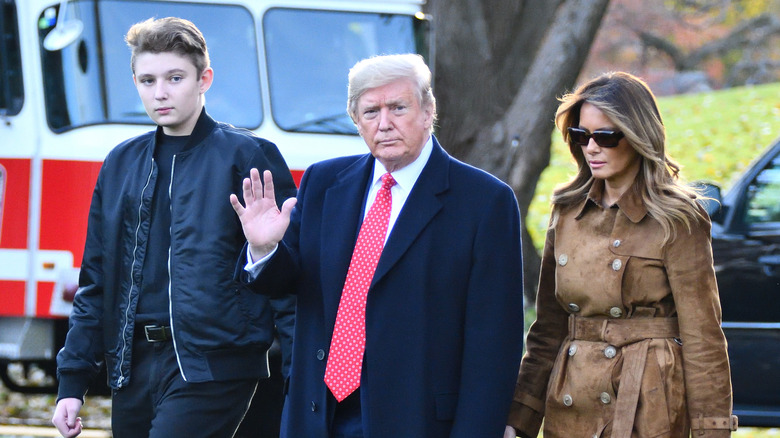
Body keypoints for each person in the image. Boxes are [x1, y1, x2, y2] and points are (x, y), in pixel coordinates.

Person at [229, 53, 524, 438]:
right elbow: (289, 281)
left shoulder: (485, 201)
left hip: (418, 420)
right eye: (370, 112)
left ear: (428, 110)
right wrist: (265, 250)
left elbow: (494, 343)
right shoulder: (323, 182)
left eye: (398, 107)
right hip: (319, 415)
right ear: (355, 119)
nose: (384, 123)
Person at [51, 17, 296, 438]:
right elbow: (96, 280)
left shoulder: (248, 155)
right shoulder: (120, 165)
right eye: (147, 80)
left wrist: (299, 377)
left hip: (215, 364)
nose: (160, 92)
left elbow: (292, 281)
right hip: (132, 366)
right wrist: (72, 381)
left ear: (205, 79)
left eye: (174, 77)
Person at [504, 71, 737, 438]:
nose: (591, 147)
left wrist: (712, 429)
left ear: (638, 135)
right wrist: (518, 420)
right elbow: (548, 330)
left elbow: (703, 336)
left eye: (606, 136)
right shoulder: (567, 212)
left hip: (646, 404)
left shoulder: (678, 217)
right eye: (581, 136)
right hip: (571, 403)